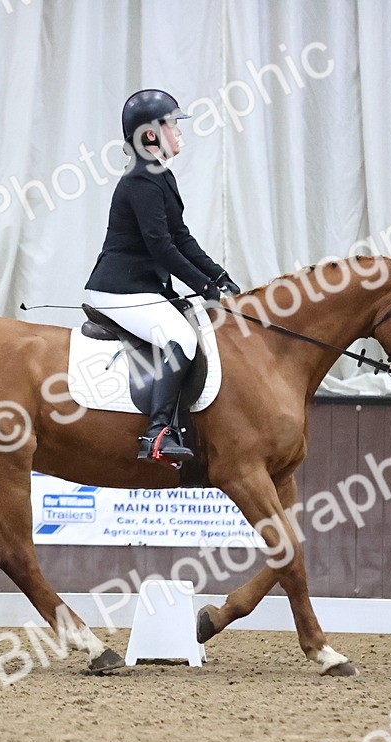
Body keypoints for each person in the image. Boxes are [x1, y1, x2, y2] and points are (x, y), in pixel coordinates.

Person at [85, 89, 241, 464]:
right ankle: (157, 433)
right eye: (173, 125)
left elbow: (180, 237)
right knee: (182, 338)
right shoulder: (141, 179)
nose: (180, 132)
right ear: (151, 135)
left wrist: (219, 277)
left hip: (143, 287)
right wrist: (205, 288)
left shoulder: (160, 176)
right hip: (120, 290)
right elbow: (161, 248)